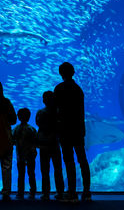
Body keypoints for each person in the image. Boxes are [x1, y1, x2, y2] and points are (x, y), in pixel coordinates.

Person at [54, 62, 91, 202]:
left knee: (69, 161)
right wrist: (82, 129)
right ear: (73, 72)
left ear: (60, 73)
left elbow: (56, 110)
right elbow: (81, 112)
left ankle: (72, 191)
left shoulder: (59, 88)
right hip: (77, 129)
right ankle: (86, 191)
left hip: (64, 130)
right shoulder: (78, 89)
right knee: (82, 160)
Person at [35, 91, 64, 200]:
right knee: (58, 168)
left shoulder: (40, 112)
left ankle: (46, 193)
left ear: (44, 100)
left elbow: (38, 123)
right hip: (55, 143)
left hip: (43, 144)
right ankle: (60, 191)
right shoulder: (58, 112)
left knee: (45, 169)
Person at [12, 107, 37, 199]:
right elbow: (36, 141)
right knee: (31, 173)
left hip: (20, 155)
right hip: (31, 154)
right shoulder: (32, 129)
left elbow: (12, 140)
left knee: (21, 174)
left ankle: (20, 192)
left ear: (18, 117)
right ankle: (33, 191)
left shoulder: (16, 129)